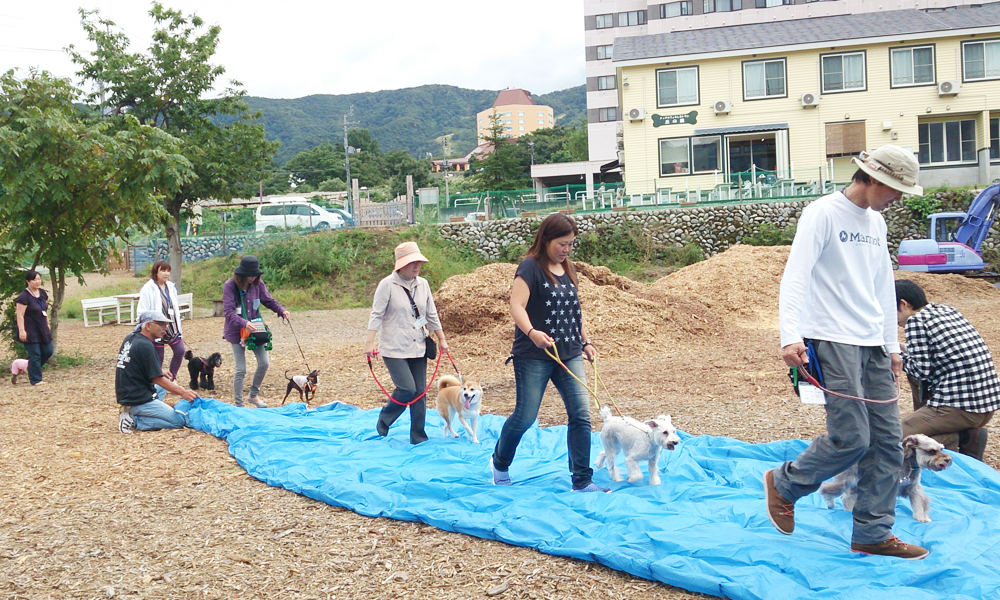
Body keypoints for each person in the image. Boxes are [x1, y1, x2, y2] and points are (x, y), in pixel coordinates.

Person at [767, 145, 929, 559]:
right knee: (852, 437)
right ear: (873, 179)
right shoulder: (823, 213)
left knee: (890, 441)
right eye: (894, 189)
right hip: (831, 337)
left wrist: (892, 345)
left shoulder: (875, 223)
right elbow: (796, 275)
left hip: (872, 343)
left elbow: (881, 284)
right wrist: (791, 336)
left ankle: (873, 533)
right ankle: (785, 484)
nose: (896, 199)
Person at [490, 213, 607, 493]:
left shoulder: (569, 269)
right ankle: (500, 462)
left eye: (570, 244)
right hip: (533, 354)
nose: (566, 249)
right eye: (562, 244)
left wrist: (586, 341)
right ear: (546, 239)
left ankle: (581, 479)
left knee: (581, 416)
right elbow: (516, 305)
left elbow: (574, 311)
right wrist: (532, 332)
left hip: (569, 352)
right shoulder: (530, 267)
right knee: (525, 416)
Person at [896, 279, 999, 461]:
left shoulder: (915, 321)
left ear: (903, 304)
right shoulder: (945, 310)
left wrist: (895, 355)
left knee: (896, 435)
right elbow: (937, 356)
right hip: (986, 405)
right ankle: (968, 436)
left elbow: (921, 371)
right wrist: (904, 351)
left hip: (959, 409)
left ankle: (964, 437)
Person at [365, 242, 450, 444]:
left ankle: (418, 435)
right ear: (400, 265)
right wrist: (369, 343)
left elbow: (431, 314)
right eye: (413, 263)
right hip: (394, 348)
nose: (417, 267)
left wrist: (442, 339)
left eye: (419, 263)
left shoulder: (424, 284)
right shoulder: (387, 285)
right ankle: (386, 417)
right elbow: (376, 315)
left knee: (420, 392)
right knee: (407, 389)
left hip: (418, 345)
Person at [222, 255, 289, 408]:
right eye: (249, 275)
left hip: (256, 329)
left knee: (264, 363)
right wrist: (244, 323)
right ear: (241, 275)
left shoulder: (258, 285)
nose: (252, 278)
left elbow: (268, 301)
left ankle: (253, 395)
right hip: (236, 330)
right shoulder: (230, 286)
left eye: (255, 275)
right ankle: (239, 405)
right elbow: (229, 312)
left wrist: (281, 310)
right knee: (241, 369)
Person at [116, 310, 198, 433]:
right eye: (161, 324)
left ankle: (144, 411)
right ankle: (134, 420)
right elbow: (157, 379)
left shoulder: (131, 338)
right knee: (178, 421)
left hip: (128, 393)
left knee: (167, 378)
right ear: (148, 326)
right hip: (137, 399)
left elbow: (135, 362)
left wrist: (158, 369)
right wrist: (183, 392)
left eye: (166, 325)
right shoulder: (145, 345)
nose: (165, 328)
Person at [137, 260, 185, 382]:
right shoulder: (148, 288)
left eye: (168, 271)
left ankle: (171, 377)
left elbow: (174, 307)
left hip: (172, 327)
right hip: (156, 328)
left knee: (180, 351)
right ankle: (157, 381)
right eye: (163, 270)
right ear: (156, 272)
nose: (166, 273)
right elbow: (142, 311)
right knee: (158, 357)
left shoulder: (171, 286)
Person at [15, 270, 53, 386]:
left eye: (39, 279)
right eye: (34, 280)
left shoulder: (42, 293)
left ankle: (29, 367)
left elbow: (44, 310)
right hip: (30, 329)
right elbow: (20, 314)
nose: (37, 282)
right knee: (35, 354)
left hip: (42, 327)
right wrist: (22, 330)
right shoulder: (24, 297)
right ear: (28, 282)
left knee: (48, 351)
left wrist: (47, 323)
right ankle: (36, 379)